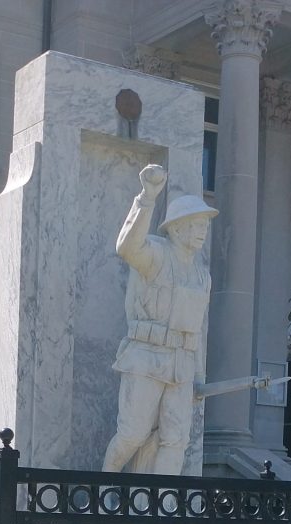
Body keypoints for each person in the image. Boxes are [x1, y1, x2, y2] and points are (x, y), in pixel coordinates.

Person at [102, 164, 219, 475]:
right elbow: (127, 247)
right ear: (177, 228)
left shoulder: (201, 275)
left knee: (175, 440)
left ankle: (160, 516)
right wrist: (147, 197)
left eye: (205, 226)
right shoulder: (155, 252)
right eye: (196, 225)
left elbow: (200, 329)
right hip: (145, 357)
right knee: (132, 435)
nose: (202, 232)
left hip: (182, 365)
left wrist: (199, 375)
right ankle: (99, 494)